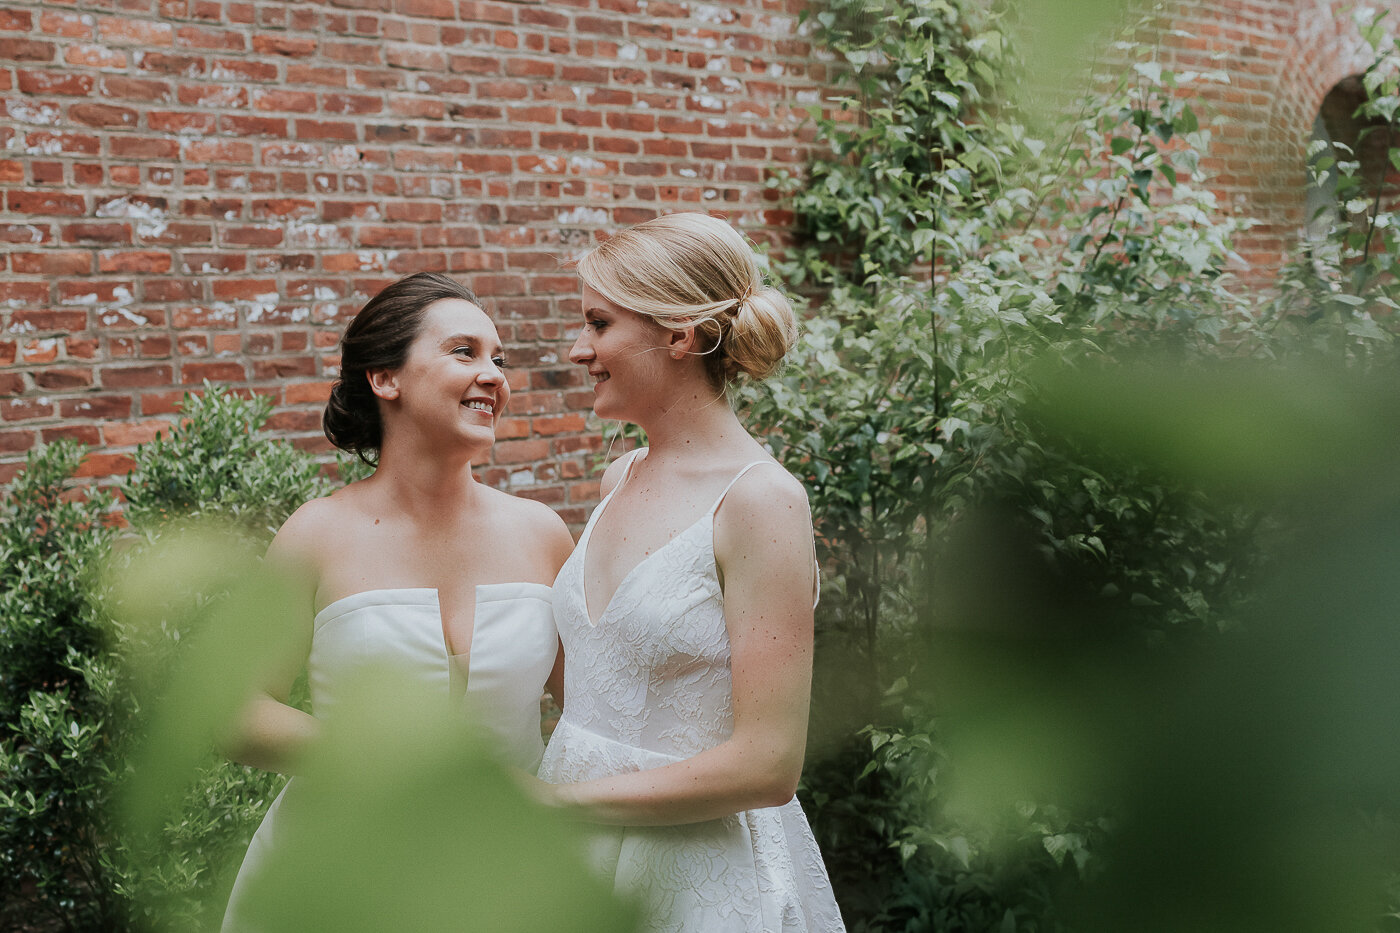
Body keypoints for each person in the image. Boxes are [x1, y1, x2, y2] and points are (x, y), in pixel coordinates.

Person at [221, 272, 573, 929]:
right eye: (464, 351)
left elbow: (594, 714)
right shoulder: (316, 533)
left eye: (500, 358)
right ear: (386, 379)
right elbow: (238, 713)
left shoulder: (543, 535)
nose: (493, 373)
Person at [537, 213, 845, 932]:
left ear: (679, 335)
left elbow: (768, 765)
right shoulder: (619, 476)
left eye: (599, 323)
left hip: (695, 876)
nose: (579, 348)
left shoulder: (761, 501)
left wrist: (558, 802)